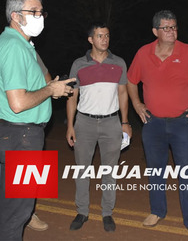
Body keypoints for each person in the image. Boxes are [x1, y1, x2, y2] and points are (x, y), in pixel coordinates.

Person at [0, 0, 75, 241]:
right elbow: (18, 103)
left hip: (18, 135)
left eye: (41, 11)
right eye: (33, 12)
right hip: (21, 135)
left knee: (12, 205)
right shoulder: (14, 47)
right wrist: (49, 90)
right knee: (19, 210)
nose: (40, 16)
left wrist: (51, 91)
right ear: (16, 15)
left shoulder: (20, 44)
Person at [127, 10, 188, 239]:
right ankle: (157, 211)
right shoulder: (143, 53)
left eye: (174, 27)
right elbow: (131, 80)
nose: (172, 31)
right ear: (155, 31)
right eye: (166, 28)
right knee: (155, 170)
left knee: (187, 172)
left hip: (182, 123)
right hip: (152, 123)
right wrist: (136, 104)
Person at [0, 45, 50, 241]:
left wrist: (49, 91)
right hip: (3, 127)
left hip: (30, 127)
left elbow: (46, 78)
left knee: (27, 178)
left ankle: (25, 216)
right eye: (33, 12)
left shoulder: (30, 51)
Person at [65, 23, 131, 232]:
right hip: (84, 123)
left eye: (107, 36)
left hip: (111, 123)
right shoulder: (78, 64)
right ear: (90, 39)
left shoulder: (118, 62)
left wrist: (125, 122)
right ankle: (82, 211)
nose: (105, 39)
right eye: (100, 36)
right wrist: (70, 126)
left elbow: (123, 94)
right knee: (82, 169)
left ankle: (107, 213)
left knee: (109, 171)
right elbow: (72, 97)